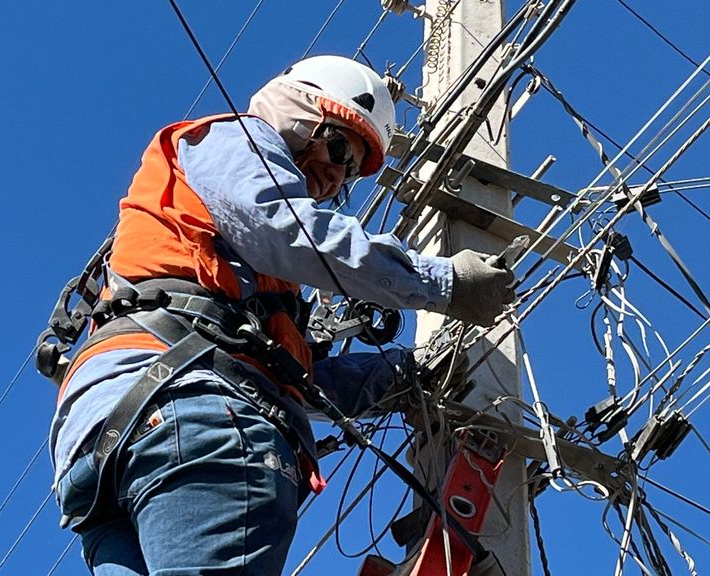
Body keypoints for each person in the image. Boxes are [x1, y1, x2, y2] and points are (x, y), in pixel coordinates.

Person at [49, 55, 514, 575]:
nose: (335, 177)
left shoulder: (234, 279)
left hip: (99, 447)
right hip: (188, 406)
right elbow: (286, 228)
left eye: (349, 173)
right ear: (299, 113)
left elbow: (296, 380)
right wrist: (445, 282)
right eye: (339, 148)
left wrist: (406, 374)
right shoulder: (238, 140)